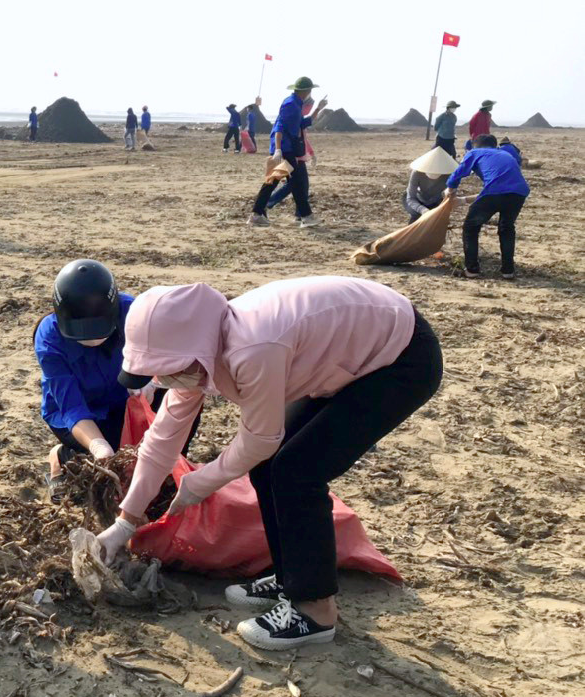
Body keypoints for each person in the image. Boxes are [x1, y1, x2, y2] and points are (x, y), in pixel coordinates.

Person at [98, 277, 442, 650]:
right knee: (270, 467)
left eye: (168, 367)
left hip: (399, 359)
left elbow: (260, 438)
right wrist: (126, 520)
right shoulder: (200, 348)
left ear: (194, 348)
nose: (163, 378)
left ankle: (314, 611)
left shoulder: (253, 347)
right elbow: (162, 439)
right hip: (347, 357)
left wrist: (198, 485)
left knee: (298, 471)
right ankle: (289, 576)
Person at [36, 259, 198, 488]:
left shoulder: (133, 312)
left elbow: (172, 361)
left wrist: (153, 382)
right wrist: (98, 446)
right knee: (116, 457)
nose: (90, 339)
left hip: (127, 399)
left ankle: (172, 467)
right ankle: (63, 456)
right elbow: (71, 407)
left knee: (182, 402)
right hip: (84, 414)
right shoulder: (49, 337)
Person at [446, 134, 530, 279]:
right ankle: (508, 271)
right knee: (506, 228)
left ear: (475, 145)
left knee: (470, 227)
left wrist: (450, 189)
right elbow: (505, 182)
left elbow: (458, 174)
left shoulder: (475, 152)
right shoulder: (505, 153)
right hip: (519, 192)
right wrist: (463, 200)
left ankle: (472, 269)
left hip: (495, 192)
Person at [249, 77, 327, 228]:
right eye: (310, 90)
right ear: (306, 91)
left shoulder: (296, 104)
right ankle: (305, 216)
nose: (310, 93)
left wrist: (318, 108)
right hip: (285, 149)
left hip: (285, 148)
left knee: (273, 182)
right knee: (297, 182)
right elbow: (280, 126)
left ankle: (256, 215)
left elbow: (302, 124)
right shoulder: (291, 104)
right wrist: (278, 149)